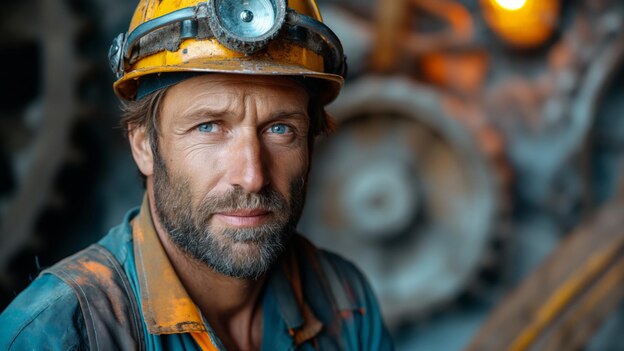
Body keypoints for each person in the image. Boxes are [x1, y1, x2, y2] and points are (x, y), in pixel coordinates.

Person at [0, 0, 393, 350]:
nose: (252, 176)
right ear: (144, 146)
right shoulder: (58, 333)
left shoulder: (344, 299)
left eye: (280, 129)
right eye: (208, 126)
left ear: (310, 144)